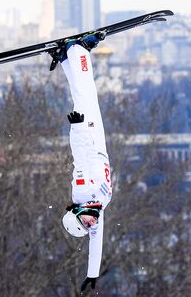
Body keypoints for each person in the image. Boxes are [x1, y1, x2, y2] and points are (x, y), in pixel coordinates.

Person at [59, 33, 113, 292]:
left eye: (87, 223)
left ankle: (77, 50)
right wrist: (93, 274)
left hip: (88, 136)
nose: (92, 224)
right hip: (99, 145)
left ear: (78, 214)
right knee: (84, 94)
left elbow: (79, 156)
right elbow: (96, 244)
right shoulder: (96, 211)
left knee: (87, 94)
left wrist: (78, 128)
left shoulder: (82, 192)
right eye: (89, 226)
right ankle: (65, 59)